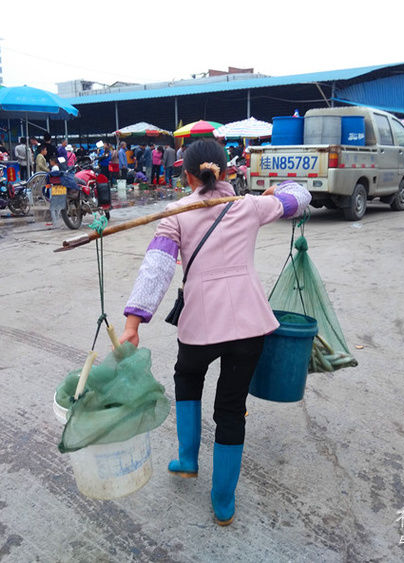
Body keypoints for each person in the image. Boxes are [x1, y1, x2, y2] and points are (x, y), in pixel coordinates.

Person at [119, 139, 311, 526]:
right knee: (230, 409)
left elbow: (157, 269)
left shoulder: (176, 213)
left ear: (188, 175)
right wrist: (276, 191)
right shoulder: (250, 206)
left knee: (187, 377)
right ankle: (223, 501)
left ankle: (188, 459)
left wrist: (132, 323)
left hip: (200, 325)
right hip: (248, 325)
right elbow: (301, 196)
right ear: (226, 171)